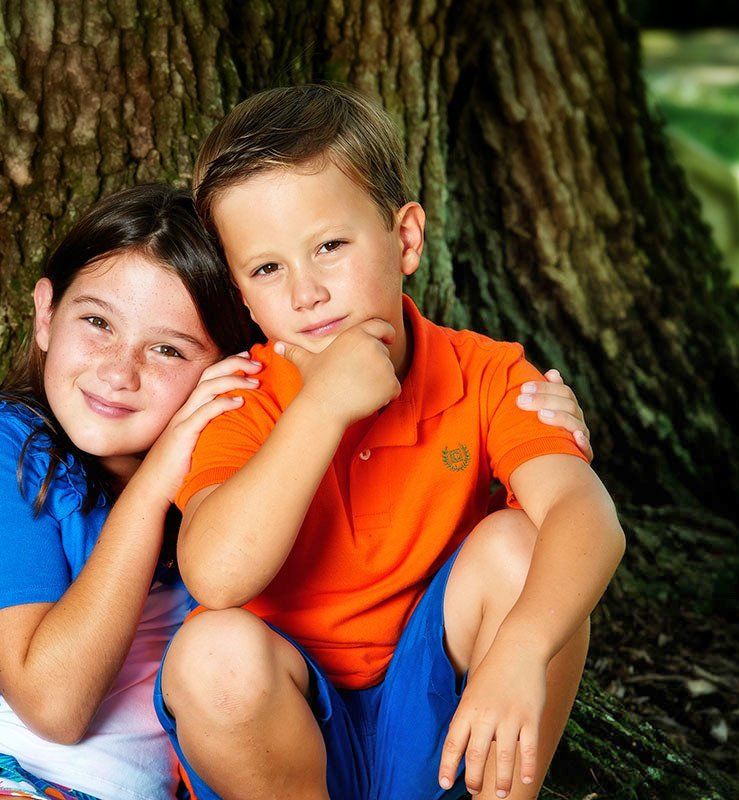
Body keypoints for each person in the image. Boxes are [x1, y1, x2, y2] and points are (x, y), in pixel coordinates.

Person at [0, 183, 594, 800]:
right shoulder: (1, 451)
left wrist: (543, 437)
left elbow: (457, 539)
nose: (120, 373)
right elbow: (53, 702)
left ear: (235, 362)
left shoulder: (248, 454)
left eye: (168, 348)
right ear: (46, 314)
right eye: (96, 323)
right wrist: (154, 485)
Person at [156, 84, 625, 800]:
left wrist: (523, 650)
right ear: (242, 293)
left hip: (441, 715)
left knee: (519, 550)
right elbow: (217, 577)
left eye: (330, 246)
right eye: (268, 268)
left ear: (405, 239)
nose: (306, 292)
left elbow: (588, 520)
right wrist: (321, 408)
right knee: (208, 652)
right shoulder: (239, 397)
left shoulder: (487, 373)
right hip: (289, 735)